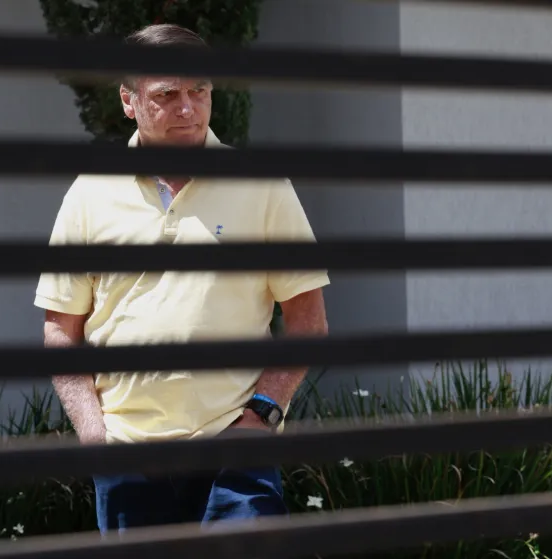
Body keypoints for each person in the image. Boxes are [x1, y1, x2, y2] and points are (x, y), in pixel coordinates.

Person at [34, 23, 330, 534]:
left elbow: (308, 320)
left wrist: (263, 414)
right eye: (167, 95)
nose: (188, 109)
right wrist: (93, 435)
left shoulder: (263, 187)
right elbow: (61, 331)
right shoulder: (90, 194)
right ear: (129, 102)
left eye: (199, 91)